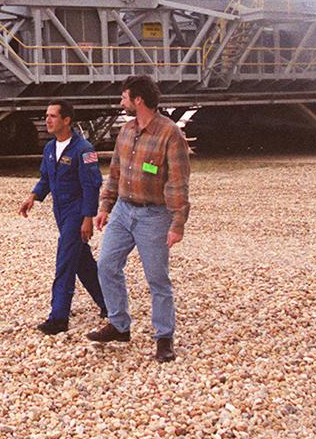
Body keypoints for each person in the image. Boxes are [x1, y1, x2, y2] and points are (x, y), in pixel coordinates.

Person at [89, 75, 191, 362]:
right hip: (123, 210)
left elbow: (178, 182)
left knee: (157, 279)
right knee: (107, 265)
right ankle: (119, 326)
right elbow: (115, 172)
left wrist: (177, 223)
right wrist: (105, 207)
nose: (121, 103)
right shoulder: (126, 131)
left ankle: (163, 337)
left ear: (138, 100)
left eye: (124, 98)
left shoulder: (170, 134)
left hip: (154, 215)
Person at [19, 100, 108, 334]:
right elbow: (46, 179)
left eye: (53, 116)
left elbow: (92, 185)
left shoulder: (84, 149)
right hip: (60, 212)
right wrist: (33, 197)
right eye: (46, 116)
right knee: (82, 262)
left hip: (77, 214)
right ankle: (109, 302)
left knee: (65, 262)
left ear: (67, 120)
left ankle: (58, 317)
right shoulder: (50, 149)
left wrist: (88, 217)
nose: (47, 120)